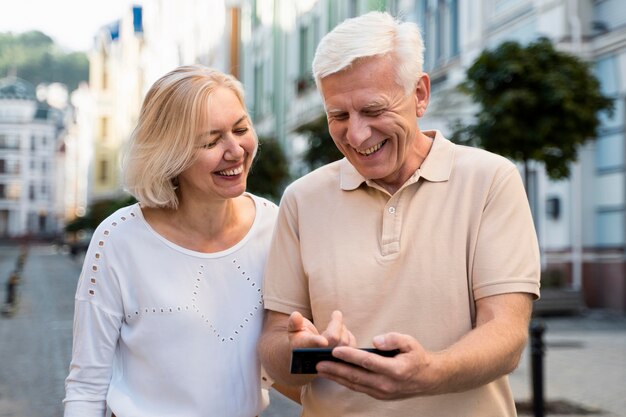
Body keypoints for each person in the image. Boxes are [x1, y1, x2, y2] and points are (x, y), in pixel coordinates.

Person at [258, 11, 541, 417]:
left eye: (373, 110)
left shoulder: (490, 180)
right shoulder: (302, 199)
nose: (356, 135)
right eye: (338, 116)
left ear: (420, 94)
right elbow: (273, 344)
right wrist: (298, 351)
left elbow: (507, 334)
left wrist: (431, 372)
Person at [63, 65, 297, 417]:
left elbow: (284, 359)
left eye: (241, 129)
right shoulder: (118, 239)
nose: (235, 150)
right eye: (210, 141)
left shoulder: (274, 225)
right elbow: (86, 386)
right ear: (170, 154)